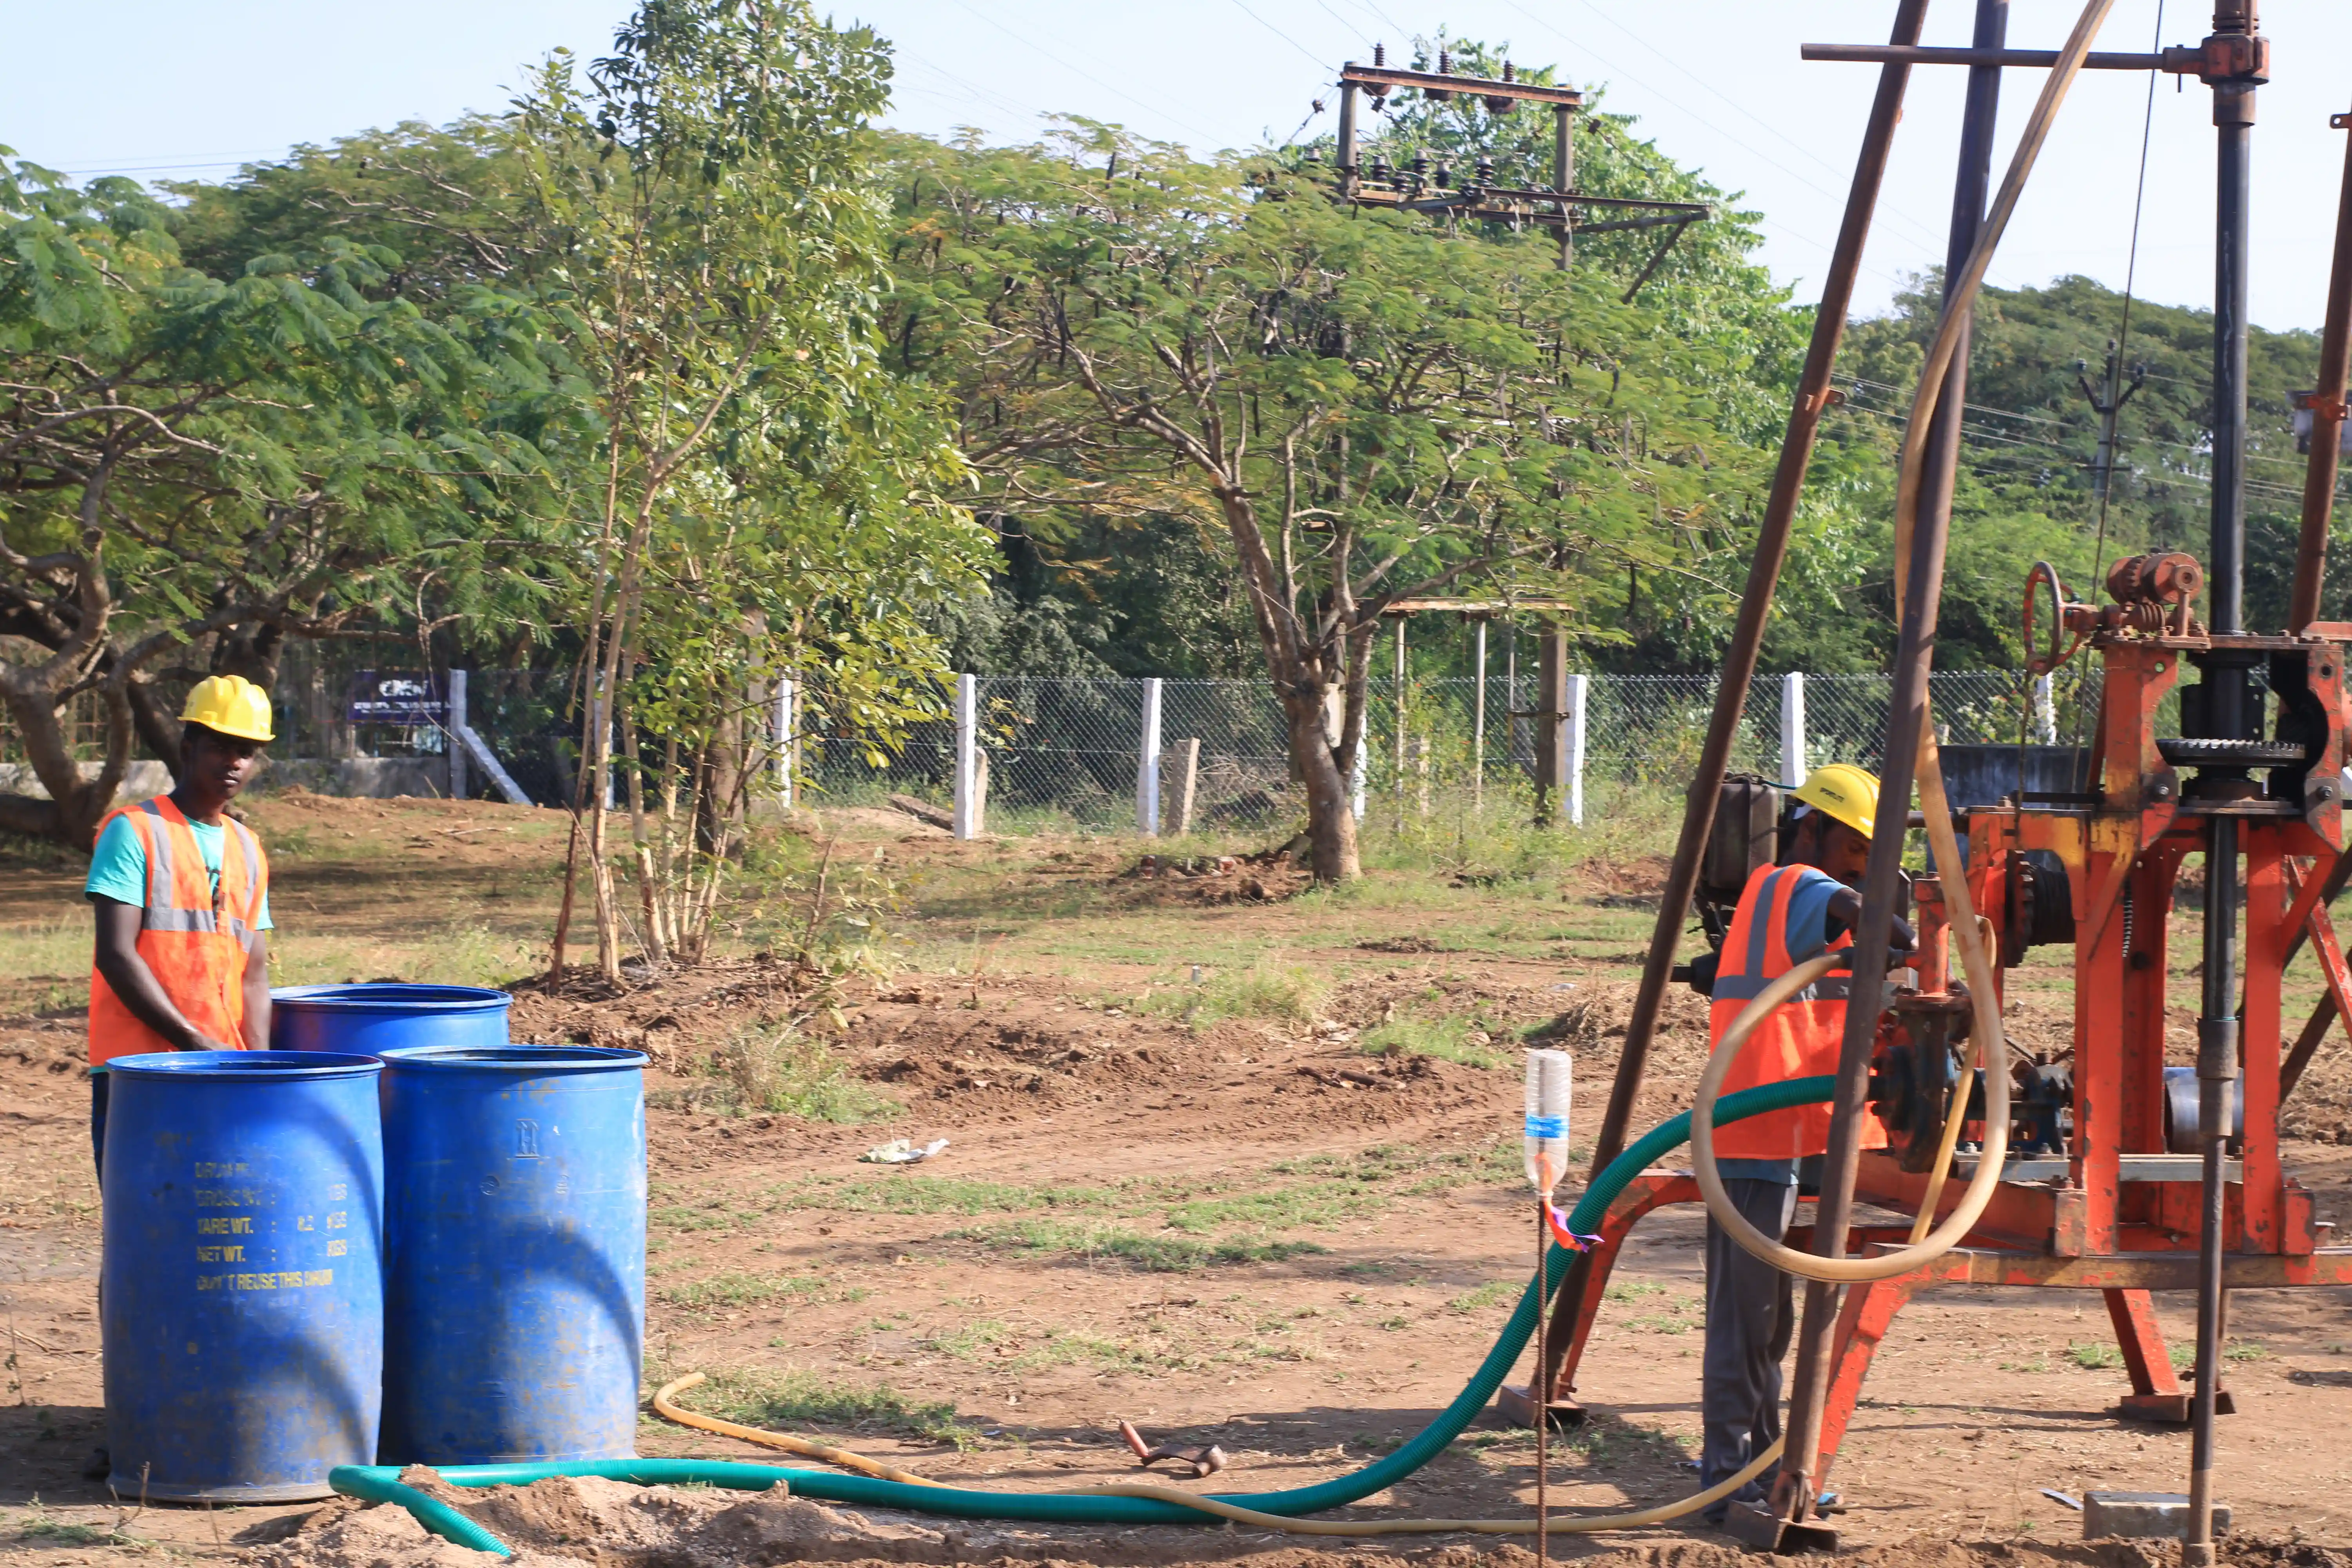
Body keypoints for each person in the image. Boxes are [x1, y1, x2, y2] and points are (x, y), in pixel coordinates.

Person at [1696, 762, 1912, 1524]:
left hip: (1780, 1134)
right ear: (1812, 827)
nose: (1859, 861)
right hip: (1758, 1132)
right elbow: (1847, 902)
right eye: (1854, 844)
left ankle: (1766, 1468)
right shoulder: (1798, 886)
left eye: (1870, 850)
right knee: (1746, 1323)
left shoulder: (1771, 894)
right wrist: (1885, 911)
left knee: (1770, 1323)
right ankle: (1728, 1479)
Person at [85, 674, 276, 1175]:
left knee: (216, 1237)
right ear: (188, 748)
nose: (234, 761)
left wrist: (261, 1067)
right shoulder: (134, 831)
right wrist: (193, 1041)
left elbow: (254, 975)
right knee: (148, 1233)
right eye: (220, 746)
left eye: (246, 751)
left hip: (223, 1073)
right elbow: (115, 954)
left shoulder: (249, 849)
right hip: (140, 1073)